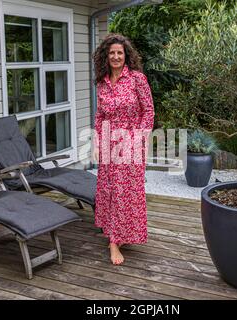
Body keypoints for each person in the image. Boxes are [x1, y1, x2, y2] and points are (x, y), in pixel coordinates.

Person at [92, 34, 155, 265]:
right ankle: (113, 242)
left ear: (125, 55)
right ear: (106, 57)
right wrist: (97, 142)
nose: (116, 57)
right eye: (112, 53)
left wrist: (139, 138)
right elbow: (100, 115)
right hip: (109, 143)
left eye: (120, 53)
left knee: (128, 192)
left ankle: (121, 234)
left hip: (131, 143)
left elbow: (148, 111)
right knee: (111, 191)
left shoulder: (137, 79)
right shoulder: (103, 82)